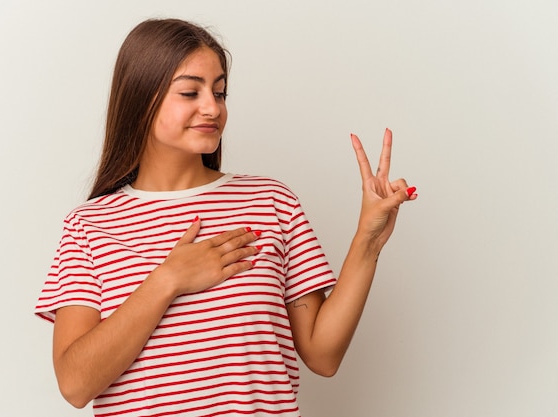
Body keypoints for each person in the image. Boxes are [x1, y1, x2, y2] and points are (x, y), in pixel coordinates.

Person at [35, 18, 417, 417]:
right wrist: (168, 280)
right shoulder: (89, 226)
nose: (212, 107)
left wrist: (367, 240)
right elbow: (75, 384)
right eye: (190, 91)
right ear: (140, 96)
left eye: (219, 92)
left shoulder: (272, 203)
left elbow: (323, 355)